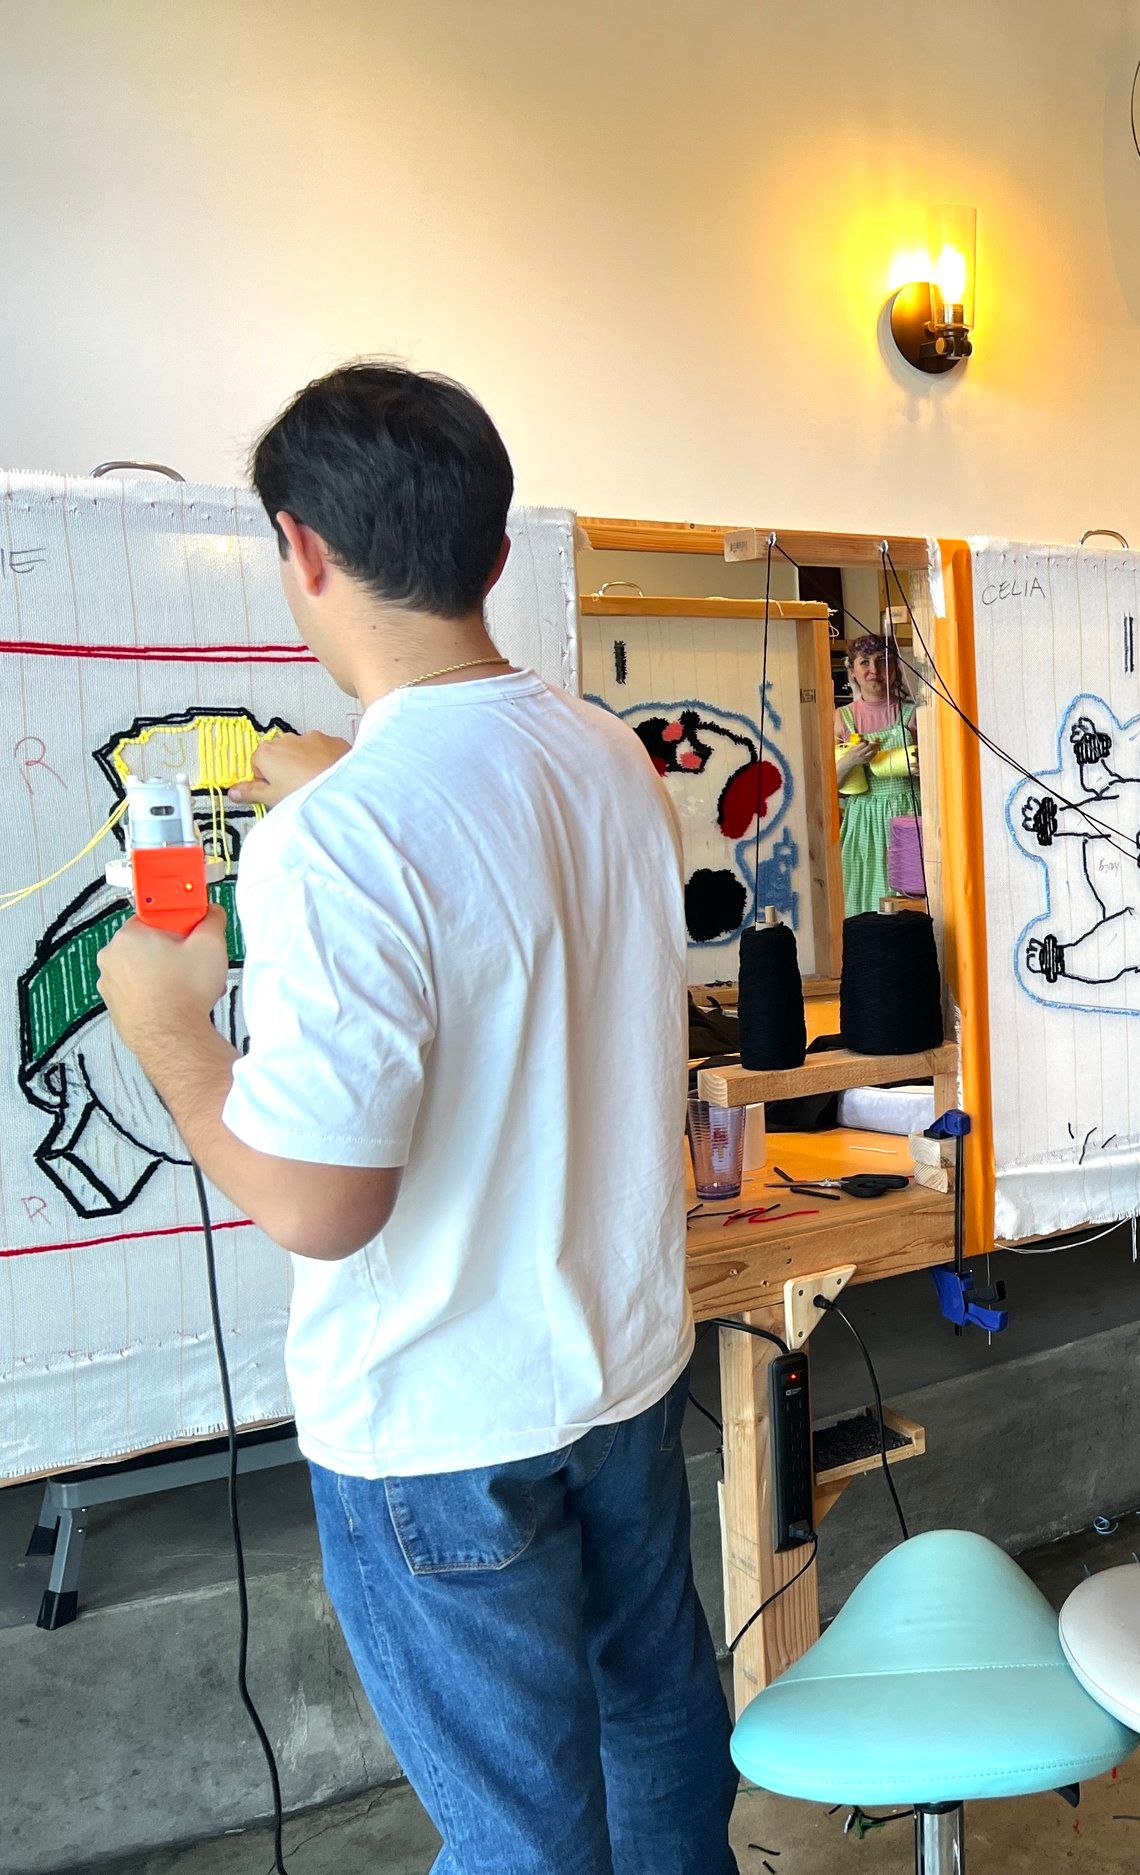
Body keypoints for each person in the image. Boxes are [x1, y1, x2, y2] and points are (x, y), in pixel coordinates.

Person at [95, 364, 735, 1874]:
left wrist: (171, 1033)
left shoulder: (343, 836)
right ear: (495, 555)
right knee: (656, 1742)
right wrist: (337, 784)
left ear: (300, 547)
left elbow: (326, 1201)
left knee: (519, 1836)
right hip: (619, 1373)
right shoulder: (607, 756)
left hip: (443, 1424)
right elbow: (483, 830)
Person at [835, 628, 921, 910]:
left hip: (910, 814)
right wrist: (850, 760)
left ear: (895, 668)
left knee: (912, 899)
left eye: (883, 662)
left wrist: (924, 769)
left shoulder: (914, 715)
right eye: (865, 662)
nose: (874, 670)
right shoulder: (842, 719)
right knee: (867, 902)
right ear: (853, 671)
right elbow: (827, 783)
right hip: (864, 822)